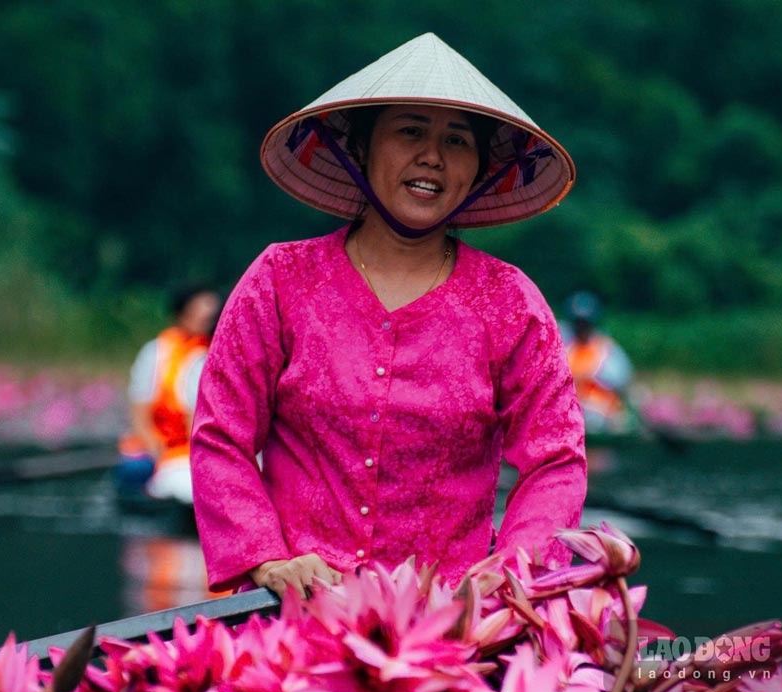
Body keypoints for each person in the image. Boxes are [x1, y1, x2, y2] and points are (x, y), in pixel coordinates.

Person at [191, 33, 587, 599]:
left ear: (477, 169)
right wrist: (269, 562)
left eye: (456, 139)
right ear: (360, 147)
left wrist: (512, 572)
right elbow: (221, 436)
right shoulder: (280, 279)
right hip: (295, 611)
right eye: (410, 131)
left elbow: (555, 461)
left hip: (457, 622)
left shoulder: (510, 301)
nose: (432, 156)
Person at [122, 284, 220, 503]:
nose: (210, 317)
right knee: (137, 469)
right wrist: (157, 452)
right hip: (165, 447)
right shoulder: (156, 353)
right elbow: (140, 416)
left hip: (201, 450)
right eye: (202, 311)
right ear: (182, 313)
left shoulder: (215, 352)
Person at [563, 291, 635, 434]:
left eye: (585, 324)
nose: (581, 328)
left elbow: (623, 380)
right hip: (571, 414)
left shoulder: (606, 349)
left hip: (601, 417)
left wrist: (591, 376)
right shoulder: (566, 347)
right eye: (578, 323)